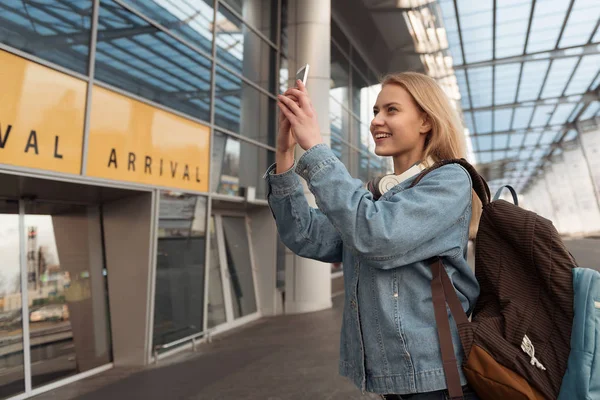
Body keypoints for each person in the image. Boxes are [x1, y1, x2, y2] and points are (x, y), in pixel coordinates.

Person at [264, 72, 481, 400]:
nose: (376, 120)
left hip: (436, 380)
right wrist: (285, 155)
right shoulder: (377, 196)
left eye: (391, 110)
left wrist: (316, 147)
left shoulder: (450, 181)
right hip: (391, 381)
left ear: (425, 120)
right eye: (375, 111)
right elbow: (306, 235)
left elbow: (378, 236)